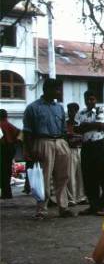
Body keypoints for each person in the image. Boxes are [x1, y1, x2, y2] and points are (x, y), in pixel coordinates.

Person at [22, 78, 74, 219]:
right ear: (46, 89)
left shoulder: (59, 108)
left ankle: (63, 207)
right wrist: (30, 150)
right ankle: (41, 210)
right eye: (56, 89)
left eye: (59, 89)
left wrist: (65, 143)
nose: (59, 92)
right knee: (44, 177)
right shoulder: (33, 108)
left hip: (60, 142)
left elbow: (63, 128)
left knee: (63, 176)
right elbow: (27, 131)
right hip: (43, 141)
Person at [75, 89, 104, 216]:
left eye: (92, 99)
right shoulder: (81, 112)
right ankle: (93, 205)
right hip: (86, 146)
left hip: (100, 145)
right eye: (87, 99)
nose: (90, 101)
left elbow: (101, 125)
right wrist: (93, 125)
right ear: (84, 100)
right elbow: (76, 128)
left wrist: (85, 126)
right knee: (89, 177)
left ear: (96, 100)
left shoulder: (102, 110)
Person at [65, 103, 85, 206]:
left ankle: (81, 197)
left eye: (73, 111)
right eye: (69, 111)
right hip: (70, 150)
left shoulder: (80, 124)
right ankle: (71, 198)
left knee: (80, 175)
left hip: (80, 149)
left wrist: (73, 137)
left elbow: (83, 137)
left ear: (77, 112)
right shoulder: (65, 124)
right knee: (70, 175)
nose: (71, 113)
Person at [0, 109, 20, 199]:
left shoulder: (1, 124)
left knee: (3, 171)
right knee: (8, 170)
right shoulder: (9, 125)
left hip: (3, 149)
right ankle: (7, 193)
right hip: (11, 149)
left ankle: (6, 193)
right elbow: (19, 134)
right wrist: (15, 142)